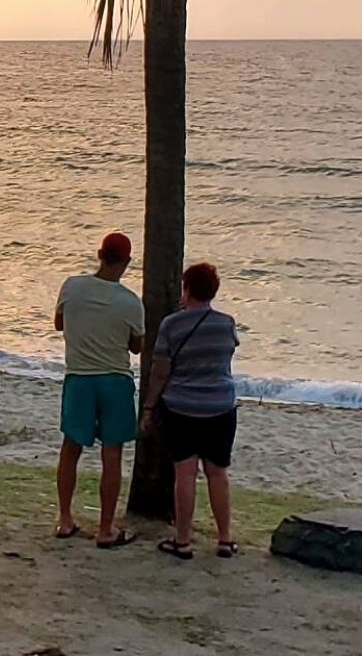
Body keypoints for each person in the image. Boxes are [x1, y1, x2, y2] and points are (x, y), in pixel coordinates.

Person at [141, 261, 240, 560]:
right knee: (218, 474)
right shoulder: (226, 323)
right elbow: (229, 350)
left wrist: (149, 405)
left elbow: (161, 370)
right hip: (221, 406)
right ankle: (224, 538)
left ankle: (182, 540)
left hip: (182, 406)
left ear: (187, 289)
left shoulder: (172, 324)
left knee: (185, 473)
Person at [53, 230, 145, 548]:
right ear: (127, 262)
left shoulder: (72, 287)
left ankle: (65, 519)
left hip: (79, 376)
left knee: (71, 449)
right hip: (114, 380)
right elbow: (136, 346)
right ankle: (105, 528)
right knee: (112, 453)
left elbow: (59, 322)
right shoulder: (130, 301)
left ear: (99, 254)